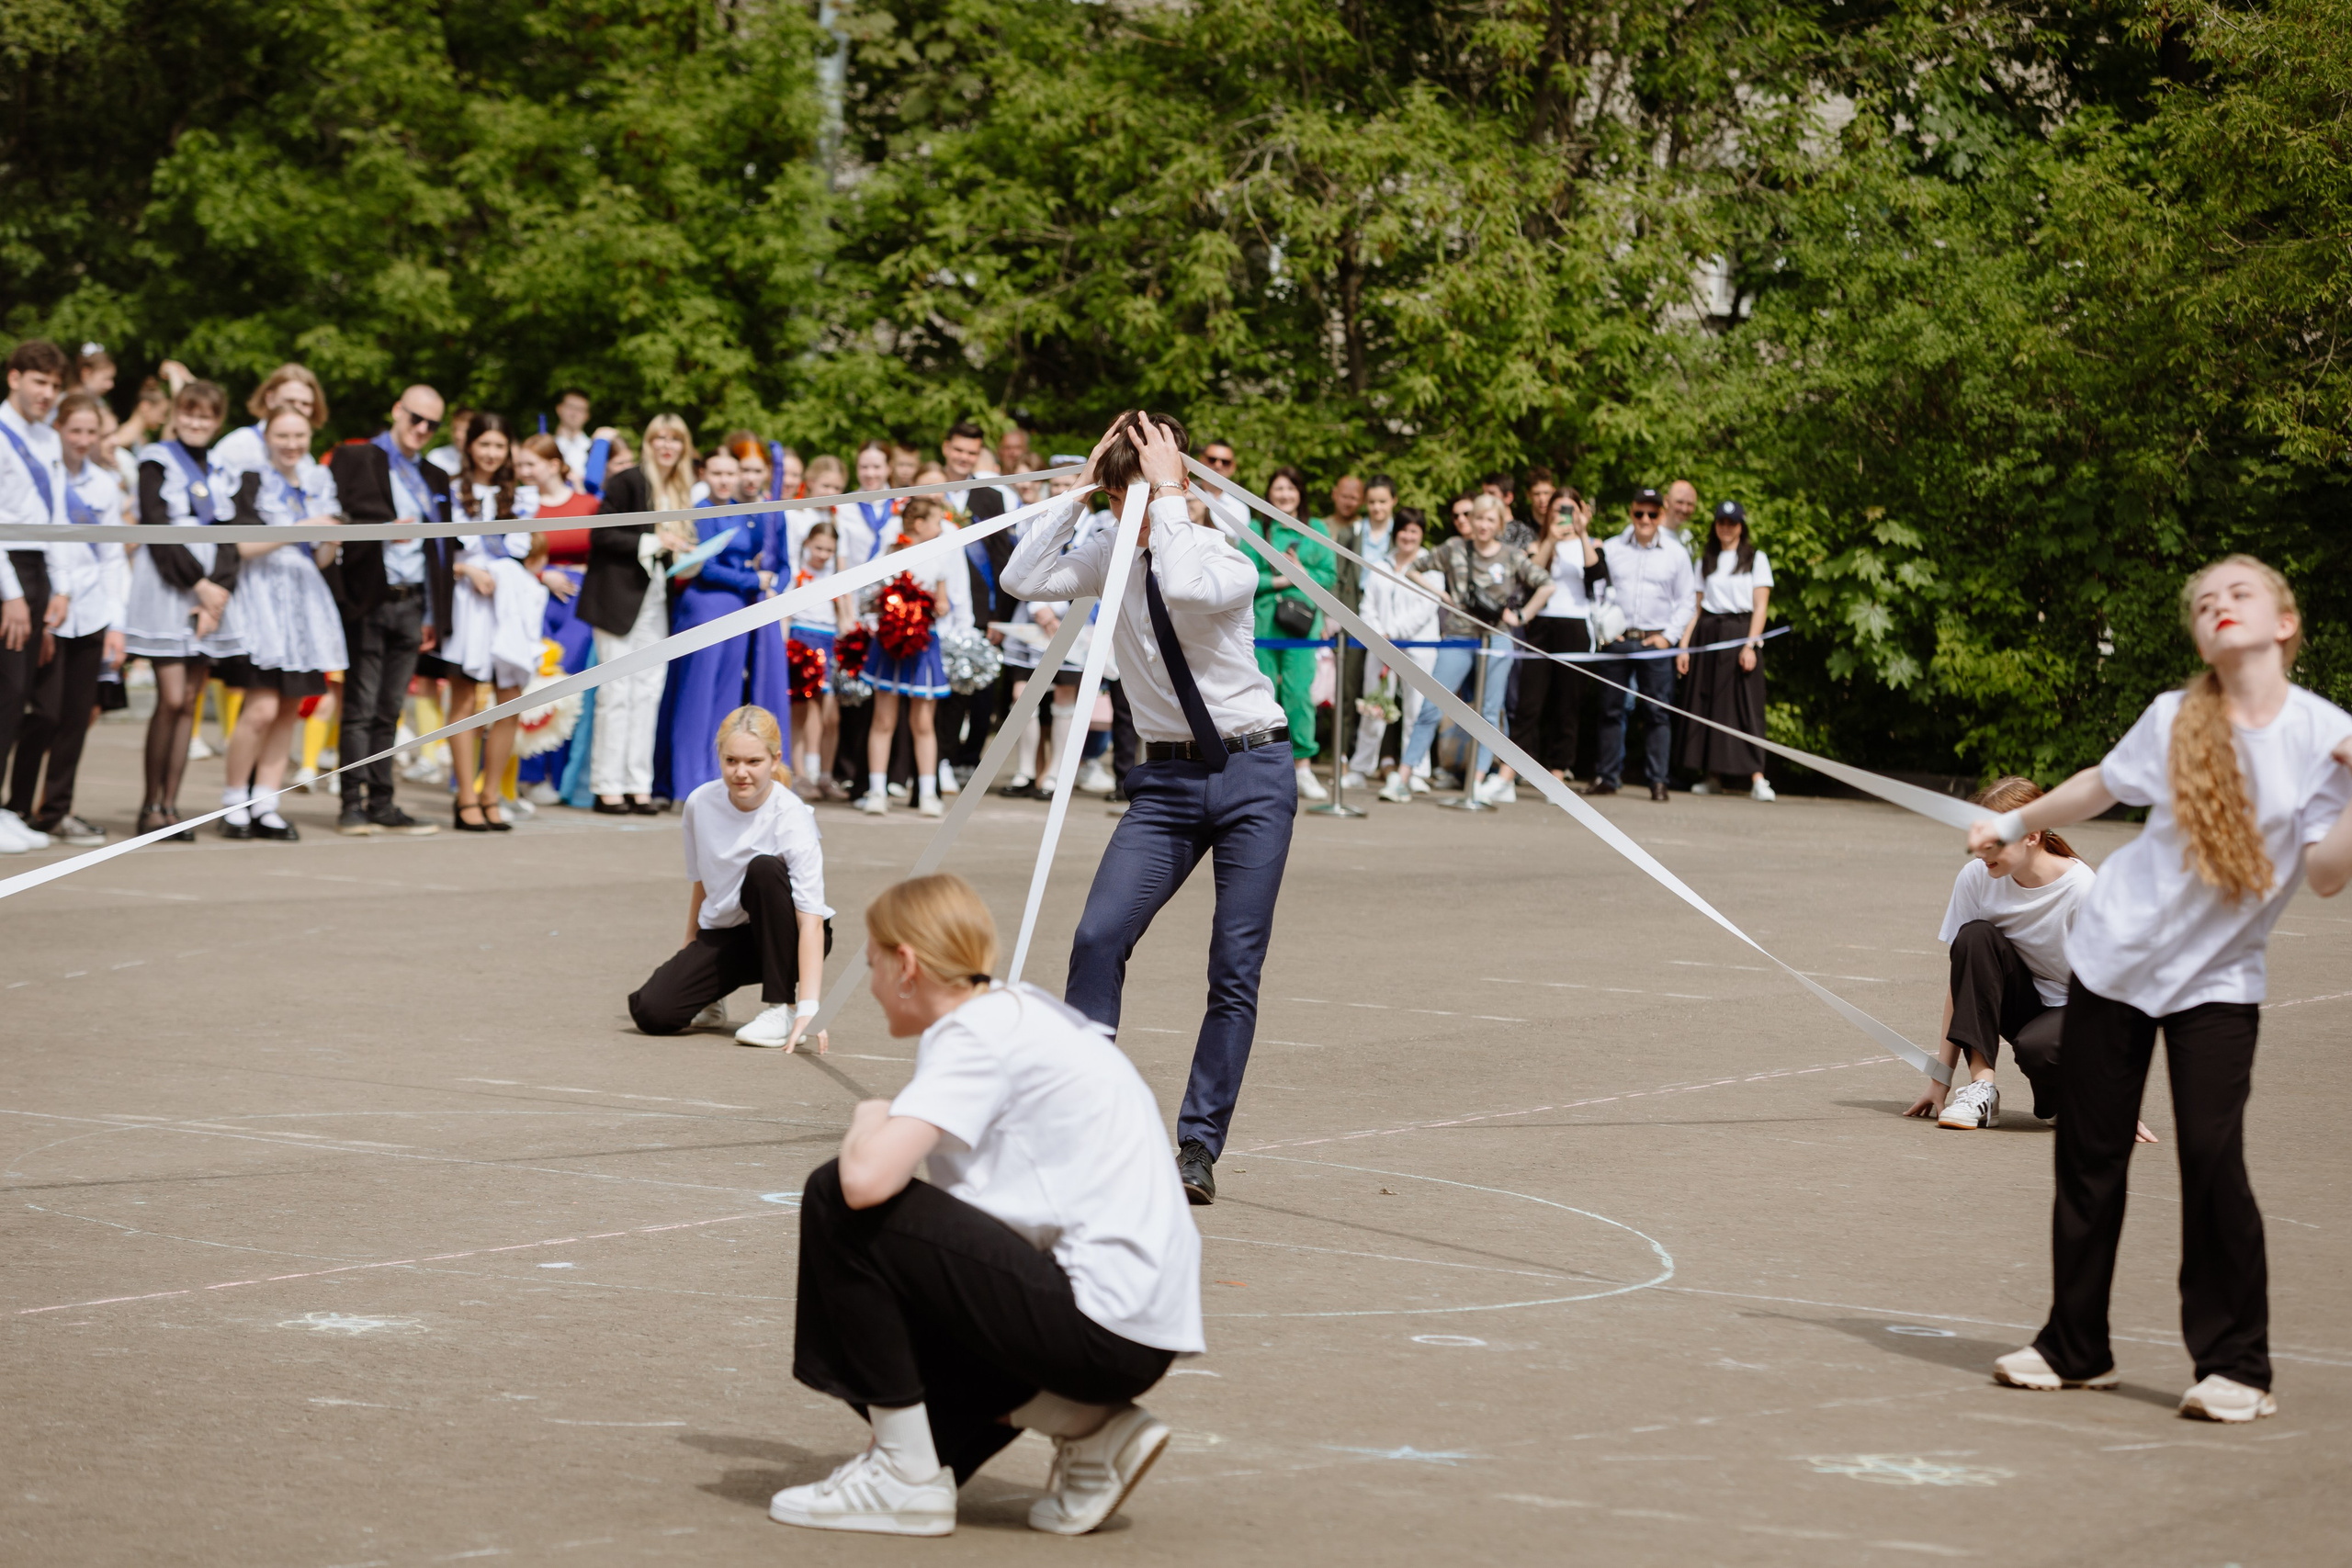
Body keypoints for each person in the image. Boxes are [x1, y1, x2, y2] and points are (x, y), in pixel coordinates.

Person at [1970, 555, 2352, 1423]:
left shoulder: (2324, 735)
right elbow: (2102, 787)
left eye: (2239, 594)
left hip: (2217, 981)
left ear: (2284, 623)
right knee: (2090, 1154)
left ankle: (2236, 1365)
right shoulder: (2175, 715)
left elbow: (2328, 874)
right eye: (2206, 600)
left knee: (2213, 1159)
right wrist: (2015, 821)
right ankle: (2075, 1346)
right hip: (2112, 958)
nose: (2220, 605)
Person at [775, 873, 1197, 1538]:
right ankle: (1093, 1427)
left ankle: (903, 1478)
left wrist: (870, 1115)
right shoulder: (1019, 1012)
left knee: (836, 1198)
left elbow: (864, 1183)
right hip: (1133, 1327)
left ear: (907, 965)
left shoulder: (972, 1033)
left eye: (873, 961)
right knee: (927, 1420)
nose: (872, 977)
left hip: (1098, 1324)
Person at [1003, 413, 1294, 1206]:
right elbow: (1021, 580)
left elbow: (1186, 587)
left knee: (1233, 968)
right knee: (1098, 935)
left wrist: (1168, 493)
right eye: (1121, 491)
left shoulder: (1220, 556)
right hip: (1165, 786)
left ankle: (1199, 1144)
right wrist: (1075, 495)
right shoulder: (1107, 550)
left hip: (1254, 773)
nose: (1126, 504)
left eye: (1137, 489)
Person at [1903, 776, 2124, 1133]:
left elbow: (2114, 998)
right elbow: (1963, 986)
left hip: (2079, 1014)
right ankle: (1982, 1088)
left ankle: (2072, 1091)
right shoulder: (1976, 877)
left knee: (2037, 1048)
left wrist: (2116, 1097)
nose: (1979, 851)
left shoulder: (2082, 891)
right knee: (1973, 937)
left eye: (1992, 842)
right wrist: (1940, 1080)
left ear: (2032, 835)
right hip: (2022, 1004)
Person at [627, 705, 831, 1049]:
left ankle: (780, 1007)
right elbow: (702, 882)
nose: (741, 773)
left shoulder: (792, 815)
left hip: (788, 937)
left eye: (754, 762)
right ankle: (713, 997)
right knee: (652, 1012)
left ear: (775, 759)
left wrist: (809, 1007)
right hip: (726, 935)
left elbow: (810, 918)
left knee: (764, 869)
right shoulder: (699, 803)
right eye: (731, 760)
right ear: (719, 757)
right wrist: (690, 950)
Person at [124, 378, 257, 840]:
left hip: (209, 597)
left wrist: (217, 592)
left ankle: (171, 807)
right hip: (169, 583)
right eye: (189, 413)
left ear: (218, 421)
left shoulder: (221, 468)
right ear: (176, 415)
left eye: (206, 416)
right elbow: (156, 528)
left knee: (191, 704)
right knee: (172, 698)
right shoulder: (156, 461)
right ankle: (150, 806)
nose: (196, 422)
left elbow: (232, 533)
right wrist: (197, 584)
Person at [212, 407, 349, 842]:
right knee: (261, 708)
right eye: (283, 435)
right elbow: (242, 546)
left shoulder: (316, 483)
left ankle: (268, 803)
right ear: (267, 436)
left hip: (304, 604)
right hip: (261, 603)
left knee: (290, 708)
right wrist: (301, 528)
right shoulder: (250, 479)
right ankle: (235, 801)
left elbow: (322, 557)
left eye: (300, 435)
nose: (292, 444)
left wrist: (328, 538)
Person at [322, 386, 451, 837]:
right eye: (416, 418)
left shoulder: (435, 476)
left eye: (432, 425)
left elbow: (440, 551)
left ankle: (382, 801)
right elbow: (333, 518)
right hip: (369, 597)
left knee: (390, 709)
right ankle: (351, 803)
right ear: (396, 410)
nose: (422, 429)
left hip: (413, 602)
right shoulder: (358, 457)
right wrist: (379, 531)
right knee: (358, 706)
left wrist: (435, 612)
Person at [6, 390, 127, 847]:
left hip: (93, 614)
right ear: (58, 430)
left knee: (77, 717)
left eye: (91, 432)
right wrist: (54, 604)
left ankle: (55, 811)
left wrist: (117, 622)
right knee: (42, 713)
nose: (82, 440)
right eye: (74, 430)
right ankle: (16, 805)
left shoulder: (103, 484)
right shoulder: (48, 478)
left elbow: (114, 557)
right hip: (54, 610)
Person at [1397, 493, 1551, 801]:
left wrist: (1521, 615)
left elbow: (1546, 583)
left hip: (1497, 638)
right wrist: (1441, 593)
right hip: (1458, 636)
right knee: (1432, 704)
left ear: (1499, 524)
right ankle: (1402, 776)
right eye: (1478, 518)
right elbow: (1414, 568)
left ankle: (1477, 782)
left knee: (1490, 711)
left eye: (1490, 520)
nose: (1483, 525)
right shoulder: (1454, 548)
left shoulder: (1511, 555)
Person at [436, 412, 546, 831]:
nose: (491, 453)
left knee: (510, 698)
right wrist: (468, 572)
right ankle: (465, 797)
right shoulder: (449, 491)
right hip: (468, 600)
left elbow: (525, 552)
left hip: (508, 602)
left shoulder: (521, 497)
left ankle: (491, 793)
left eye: (499, 446)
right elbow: (440, 557)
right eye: (484, 444)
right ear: (470, 446)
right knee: (465, 700)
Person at [580, 412, 694, 814]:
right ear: (648, 442)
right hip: (617, 600)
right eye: (660, 438)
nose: (667, 445)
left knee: (648, 693)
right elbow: (601, 533)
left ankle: (637, 785)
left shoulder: (680, 491)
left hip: (655, 601)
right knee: (616, 694)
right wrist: (652, 540)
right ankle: (607, 786)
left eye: (675, 439)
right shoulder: (629, 480)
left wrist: (684, 554)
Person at [0, 342, 82, 852]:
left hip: (40, 571)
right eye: (39, 382)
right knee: (5, 698)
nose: (46, 394)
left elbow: (56, 518)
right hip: (6, 570)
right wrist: (10, 595)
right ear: (14, 378)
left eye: (54, 386)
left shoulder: (48, 441)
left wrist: (62, 585)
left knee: (33, 702)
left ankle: (10, 808)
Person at [655, 446, 769, 804]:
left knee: (725, 699)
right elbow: (703, 564)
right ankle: (685, 783)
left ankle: (713, 781)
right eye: (717, 473)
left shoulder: (741, 512)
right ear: (704, 475)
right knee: (695, 698)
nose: (724, 480)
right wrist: (753, 580)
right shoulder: (699, 512)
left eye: (730, 474)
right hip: (704, 608)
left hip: (737, 613)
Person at [857, 496, 959, 818]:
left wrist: (930, 608)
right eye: (936, 521)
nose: (941, 528)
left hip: (923, 645)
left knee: (923, 722)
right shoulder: (891, 555)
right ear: (919, 524)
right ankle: (877, 790)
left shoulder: (939, 557)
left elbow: (943, 604)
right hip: (890, 643)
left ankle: (928, 792)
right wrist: (894, 607)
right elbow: (869, 596)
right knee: (883, 719)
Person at [1590, 488, 1694, 800]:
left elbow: (1687, 601)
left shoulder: (1677, 553)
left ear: (1661, 515)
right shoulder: (1611, 548)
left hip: (1656, 642)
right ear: (1631, 512)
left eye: (1652, 513)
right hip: (1618, 640)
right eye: (1639, 513)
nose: (1645, 519)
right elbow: (1596, 592)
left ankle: (1658, 780)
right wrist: (1604, 629)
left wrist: (1668, 638)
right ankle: (1607, 777)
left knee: (1657, 712)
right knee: (1610, 710)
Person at [1676, 500, 1775, 800]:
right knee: (1710, 705)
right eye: (1721, 522)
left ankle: (1758, 777)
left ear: (1741, 526)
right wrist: (1684, 647)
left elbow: (1761, 607)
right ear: (1715, 525)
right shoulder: (1706, 559)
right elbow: (1695, 609)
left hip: (1740, 633)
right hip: (1708, 634)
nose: (1726, 528)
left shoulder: (1756, 559)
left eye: (1732, 523)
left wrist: (1750, 645)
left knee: (1746, 704)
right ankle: (1713, 774)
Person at [1249, 466, 1337, 800]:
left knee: (1299, 694)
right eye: (1278, 489)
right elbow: (1244, 574)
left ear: (1300, 492)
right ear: (1269, 494)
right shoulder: (1256, 528)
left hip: (1302, 626)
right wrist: (1281, 581)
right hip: (1264, 625)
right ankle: (1261, 766)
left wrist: (1301, 572)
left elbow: (1329, 576)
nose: (1284, 495)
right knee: (1262, 694)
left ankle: (1303, 766)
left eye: (1290, 489)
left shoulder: (1316, 529)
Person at [1514, 488, 1600, 788]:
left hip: (1576, 625)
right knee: (1530, 701)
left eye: (1570, 510)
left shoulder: (1591, 544)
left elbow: (1595, 575)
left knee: (1568, 703)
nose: (1564, 516)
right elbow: (1529, 577)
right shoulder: (1537, 544)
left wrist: (1583, 533)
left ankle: (1558, 772)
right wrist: (1550, 540)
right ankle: (1514, 769)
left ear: (1581, 512)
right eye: (1558, 510)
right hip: (1541, 625)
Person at [1358, 510, 1444, 802]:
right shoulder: (1379, 563)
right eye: (1404, 531)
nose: (1408, 537)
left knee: (1416, 709)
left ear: (1421, 535)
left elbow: (1427, 607)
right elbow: (1367, 603)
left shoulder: (1431, 567)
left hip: (1417, 647)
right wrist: (1378, 633)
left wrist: (1392, 632)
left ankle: (1417, 771)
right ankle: (1361, 767)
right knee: (1373, 705)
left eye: (1414, 531)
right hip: (1379, 644)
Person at [786, 521, 851, 800]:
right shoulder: (795, 573)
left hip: (830, 643)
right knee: (802, 711)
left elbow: (847, 618)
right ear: (807, 544)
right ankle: (800, 773)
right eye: (818, 547)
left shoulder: (837, 577)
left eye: (829, 549)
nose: (823, 554)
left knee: (830, 716)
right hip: (802, 640)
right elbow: (785, 612)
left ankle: (824, 774)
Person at [209, 364, 327, 484]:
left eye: (305, 404)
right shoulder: (238, 446)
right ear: (270, 399)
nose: (297, 409)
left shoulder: (306, 460)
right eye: (289, 401)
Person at [552, 389, 594, 481]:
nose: (574, 414)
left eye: (580, 409)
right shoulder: (548, 445)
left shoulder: (593, 447)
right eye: (570, 407)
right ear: (559, 409)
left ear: (587, 416)